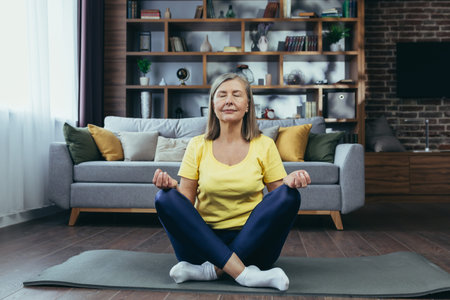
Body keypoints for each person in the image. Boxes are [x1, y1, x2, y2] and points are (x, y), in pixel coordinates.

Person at [153, 73, 311, 291]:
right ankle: (245, 274)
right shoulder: (197, 145)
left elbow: (277, 202)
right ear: (213, 104)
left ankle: (210, 271)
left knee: (289, 194)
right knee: (164, 197)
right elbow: (185, 203)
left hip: (254, 245)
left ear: (248, 105)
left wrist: (290, 182)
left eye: (237, 95)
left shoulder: (264, 145)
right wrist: (171, 188)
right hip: (201, 246)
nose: (229, 100)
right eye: (222, 95)